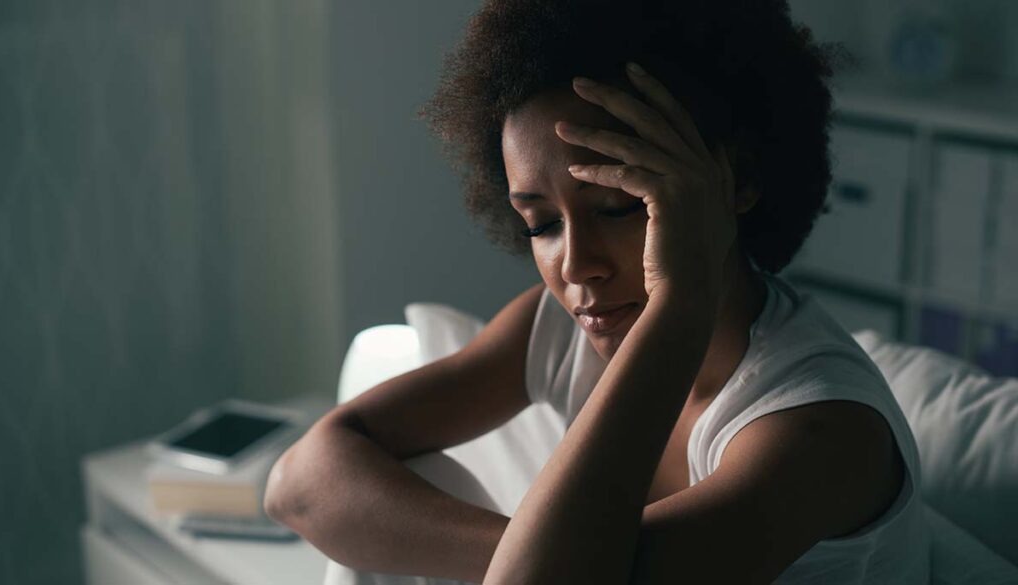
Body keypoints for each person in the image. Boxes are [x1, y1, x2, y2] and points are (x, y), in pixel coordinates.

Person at [263, 0, 931, 583]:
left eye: (616, 206)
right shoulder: (555, 329)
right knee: (410, 493)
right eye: (543, 223)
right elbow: (297, 483)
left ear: (737, 182)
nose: (576, 266)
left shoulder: (819, 431)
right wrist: (533, 553)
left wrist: (680, 302)